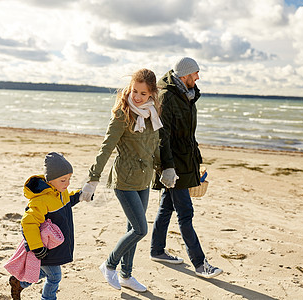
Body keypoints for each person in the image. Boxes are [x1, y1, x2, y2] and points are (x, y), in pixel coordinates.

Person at [80, 68, 162, 293]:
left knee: (132, 227)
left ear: (152, 94)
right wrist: (92, 179)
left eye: (143, 94)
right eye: (134, 91)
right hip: (124, 181)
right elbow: (106, 147)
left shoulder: (152, 113)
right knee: (140, 229)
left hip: (144, 180)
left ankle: (126, 275)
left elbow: (154, 146)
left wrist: (165, 169)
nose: (137, 97)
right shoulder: (122, 113)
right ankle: (109, 265)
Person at [150, 57, 223, 278]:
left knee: (166, 208)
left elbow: (187, 136)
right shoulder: (167, 98)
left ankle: (157, 250)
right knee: (185, 213)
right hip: (173, 166)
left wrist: (195, 162)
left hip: (184, 162)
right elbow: (162, 136)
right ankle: (200, 264)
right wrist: (168, 169)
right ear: (184, 76)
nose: (198, 77)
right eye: (196, 74)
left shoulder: (187, 96)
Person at [8, 152, 83, 300]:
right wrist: (36, 247)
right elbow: (28, 222)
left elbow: (68, 200)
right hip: (44, 248)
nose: (67, 184)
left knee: (43, 272)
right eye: (63, 180)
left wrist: (81, 195)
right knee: (54, 277)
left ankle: (19, 283)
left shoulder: (61, 192)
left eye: (69, 179)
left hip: (56, 245)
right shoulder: (41, 200)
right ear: (51, 180)